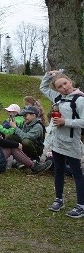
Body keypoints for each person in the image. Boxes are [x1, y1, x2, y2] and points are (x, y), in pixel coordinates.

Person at [40, 71, 84, 218]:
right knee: (58, 170)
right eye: (59, 86)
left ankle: (81, 205)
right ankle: (59, 199)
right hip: (57, 141)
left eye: (65, 83)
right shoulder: (58, 97)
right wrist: (48, 76)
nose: (64, 87)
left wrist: (66, 122)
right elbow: (43, 88)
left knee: (77, 173)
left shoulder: (80, 100)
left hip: (71, 142)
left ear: (70, 82)